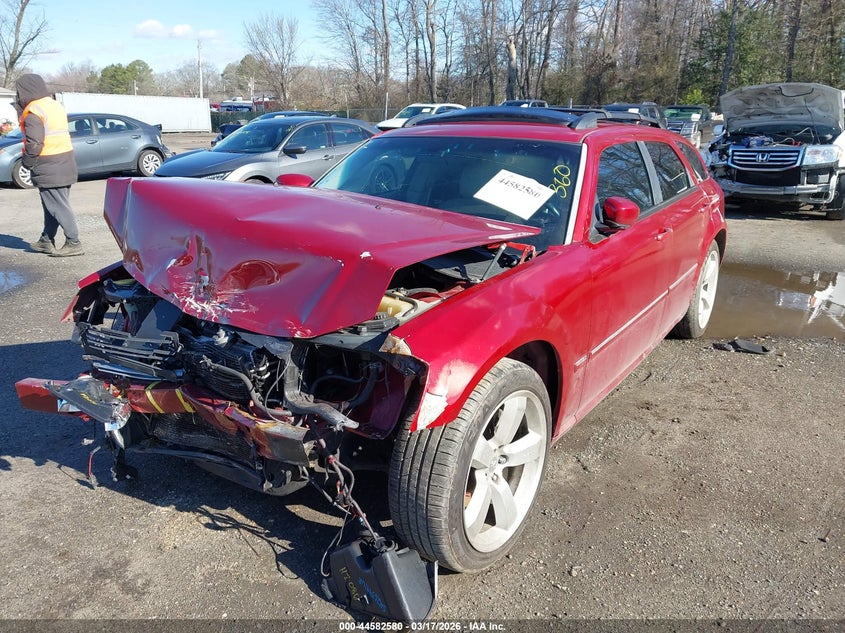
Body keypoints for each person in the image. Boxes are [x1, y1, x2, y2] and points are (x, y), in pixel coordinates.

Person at [15, 73, 83, 257]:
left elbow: (35, 142)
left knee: (58, 206)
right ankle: (46, 240)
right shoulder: (54, 105)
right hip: (65, 161)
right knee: (52, 204)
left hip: (48, 163)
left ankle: (73, 242)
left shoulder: (33, 111)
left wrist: (27, 162)